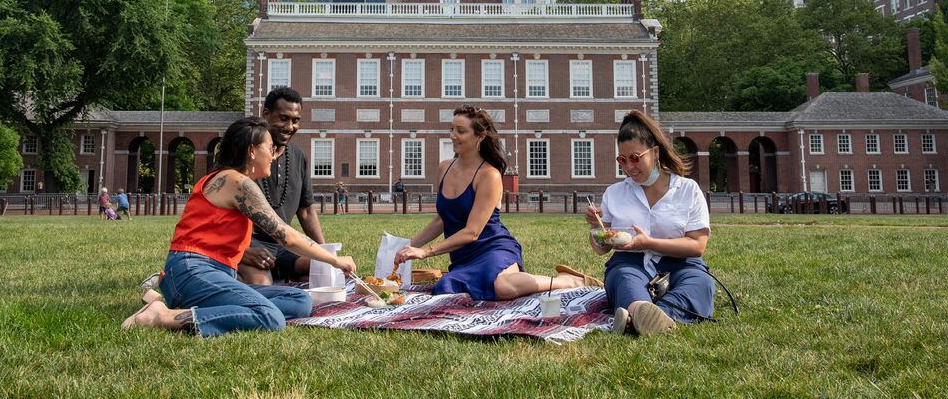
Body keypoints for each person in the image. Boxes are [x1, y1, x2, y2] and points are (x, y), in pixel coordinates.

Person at [121, 117, 356, 336]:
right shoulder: (237, 181)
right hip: (192, 271)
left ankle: (178, 302)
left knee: (300, 301)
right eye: (270, 148)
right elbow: (286, 235)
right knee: (270, 317)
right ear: (252, 151)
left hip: (211, 275)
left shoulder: (232, 181)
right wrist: (334, 260)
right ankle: (162, 316)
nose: (274, 156)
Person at [394, 105, 599, 301]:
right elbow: (442, 219)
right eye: (452, 129)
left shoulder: (489, 175)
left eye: (461, 131)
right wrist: (406, 248)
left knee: (501, 287)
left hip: (493, 248)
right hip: (463, 257)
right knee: (445, 288)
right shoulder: (444, 168)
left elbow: (472, 232)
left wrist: (426, 252)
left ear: (480, 136)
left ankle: (567, 281)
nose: (453, 135)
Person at [585, 110, 715, 337]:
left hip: (681, 263)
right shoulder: (614, 193)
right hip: (630, 262)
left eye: (635, 158)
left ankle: (639, 318)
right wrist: (597, 229)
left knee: (700, 283)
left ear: (655, 152)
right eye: (622, 160)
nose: (628, 167)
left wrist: (649, 243)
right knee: (623, 278)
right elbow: (600, 249)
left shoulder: (687, 190)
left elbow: (697, 246)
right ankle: (647, 315)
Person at [237, 87, 327, 285]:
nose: (290, 126)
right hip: (249, 243)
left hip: (284, 245)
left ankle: (284, 280)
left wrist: (324, 252)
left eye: (295, 120)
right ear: (266, 114)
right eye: (283, 118)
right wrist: (242, 251)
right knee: (263, 285)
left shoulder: (298, 156)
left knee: (322, 271)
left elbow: (306, 211)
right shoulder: (243, 152)